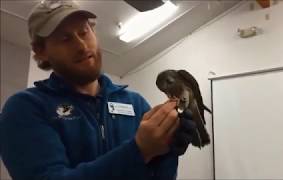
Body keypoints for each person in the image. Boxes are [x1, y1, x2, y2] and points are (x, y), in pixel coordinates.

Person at [0, 1, 194, 180]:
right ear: (41, 51)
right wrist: (140, 150)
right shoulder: (24, 108)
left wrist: (167, 151)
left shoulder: (135, 103)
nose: (82, 46)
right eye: (66, 38)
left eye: (84, 32)